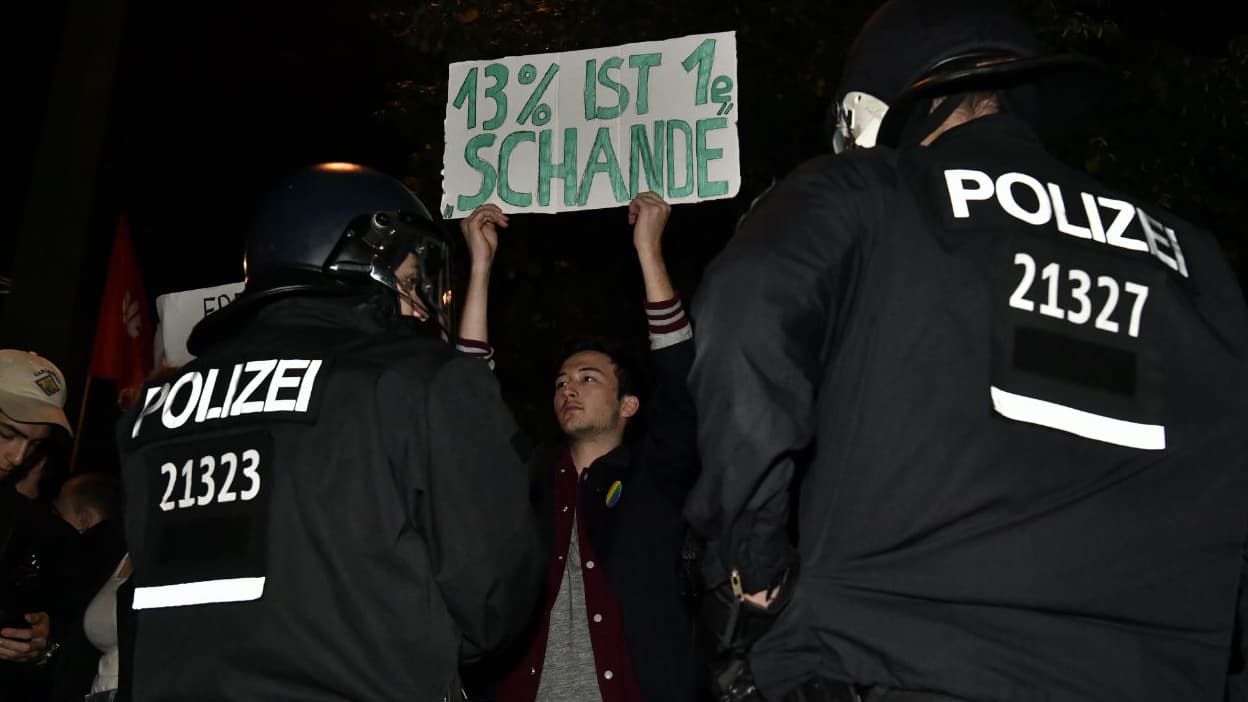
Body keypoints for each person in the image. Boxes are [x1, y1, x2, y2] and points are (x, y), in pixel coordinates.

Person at [683, 1, 1248, 701]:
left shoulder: (867, 192)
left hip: (892, 667)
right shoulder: (1192, 261)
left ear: (864, 114)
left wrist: (752, 569)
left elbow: (746, 306)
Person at [116, 162, 543, 700]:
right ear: (359, 257)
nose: (417, 300)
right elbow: (492, 598)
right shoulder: (418, 380)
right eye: (410, 280)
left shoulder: (153, 409)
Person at [456, 193, 703, 702]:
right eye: (561, 382)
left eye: (588, 378)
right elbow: (467, 405)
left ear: (628, 405)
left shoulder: (656, 475)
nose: (568, 388)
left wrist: (649, 250)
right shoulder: (529, 479)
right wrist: (479, 267)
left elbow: (681, 378)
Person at [0, 349, 76, 698]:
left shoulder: (30, 525)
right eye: (6, 433)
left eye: (34, 445)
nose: (17, 458)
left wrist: (42, 647)